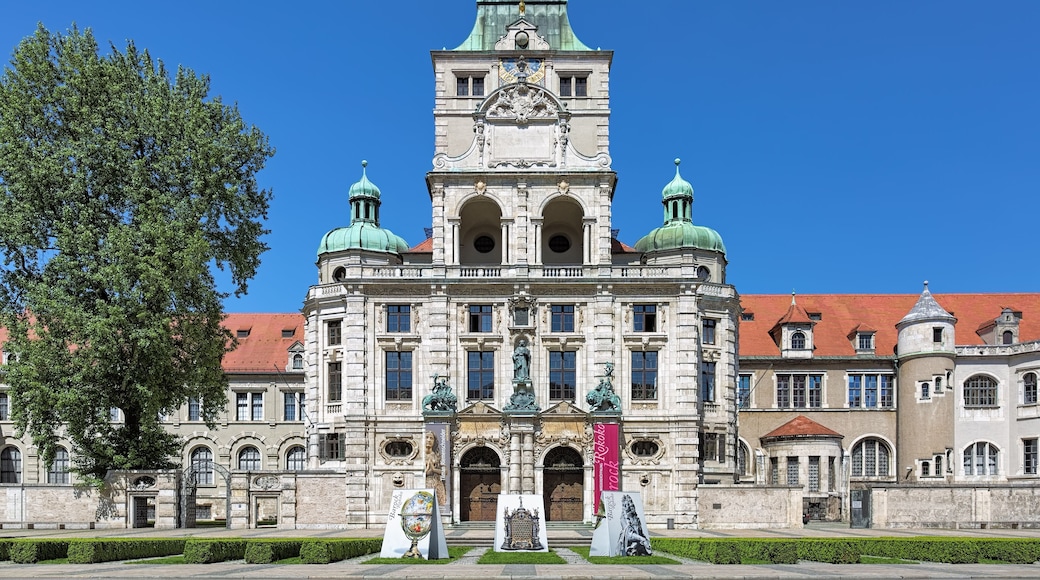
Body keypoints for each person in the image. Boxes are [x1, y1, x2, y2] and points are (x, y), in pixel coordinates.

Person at [424, 431, 447, 504]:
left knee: (439, 506)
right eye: (426, 437)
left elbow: (445, 471)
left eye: (431, 438)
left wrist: (434, 470)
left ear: (434, 441)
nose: (429, 440)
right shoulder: (419, 455)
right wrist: (427, 470)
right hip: (424, 485)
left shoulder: (437, 456)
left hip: (438, 485)